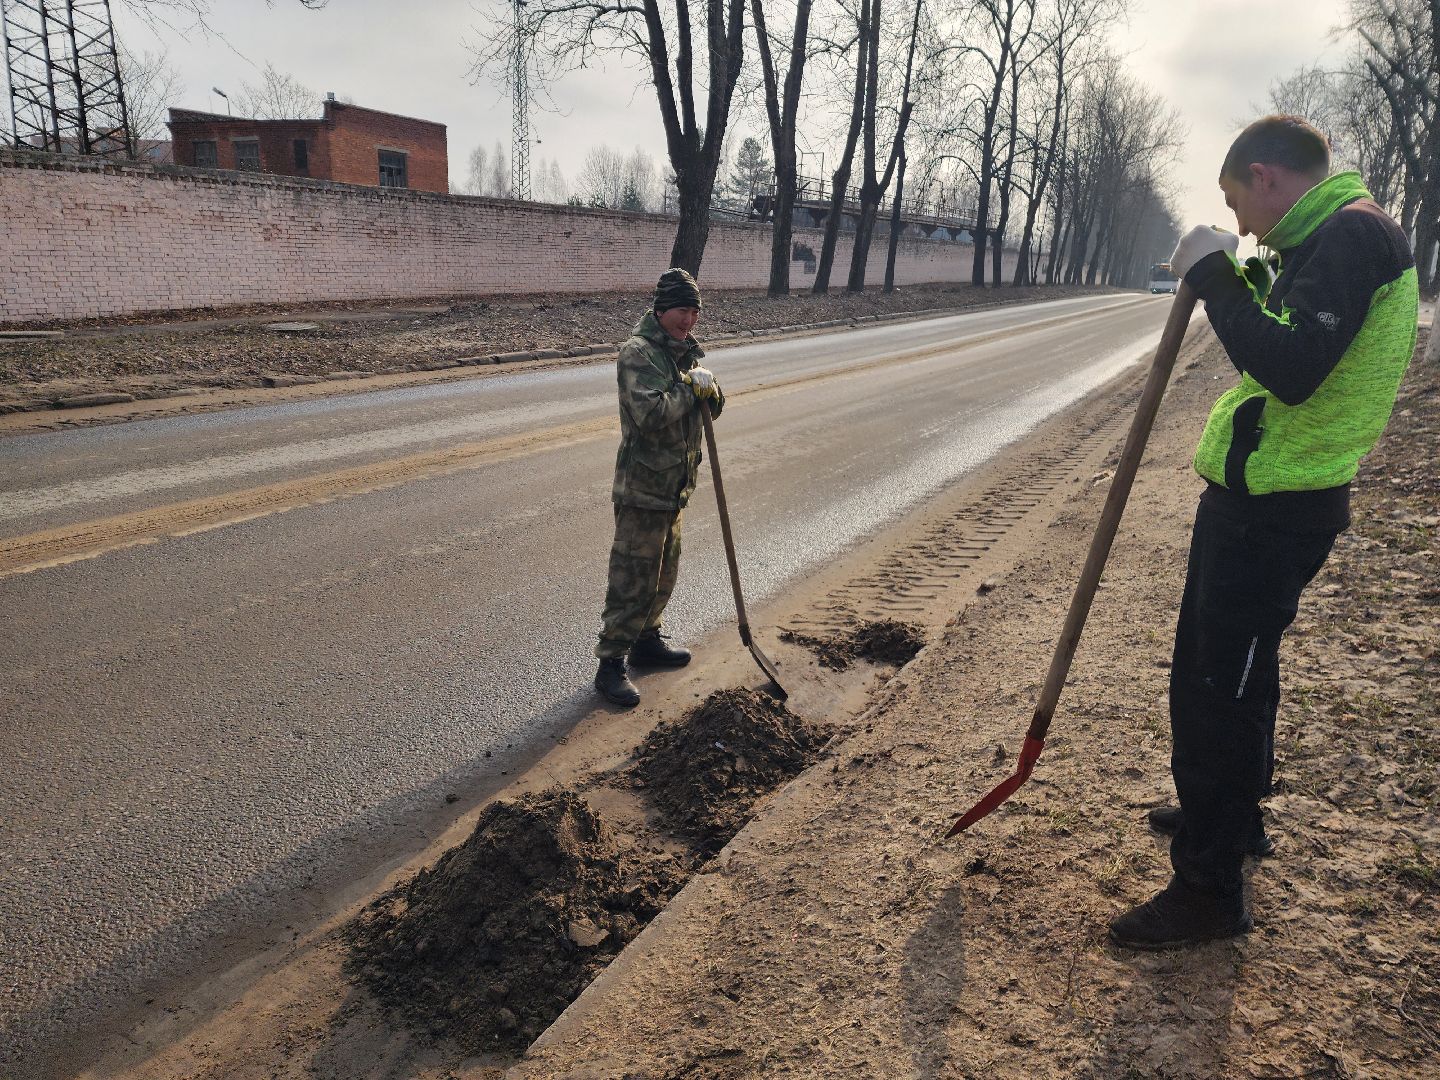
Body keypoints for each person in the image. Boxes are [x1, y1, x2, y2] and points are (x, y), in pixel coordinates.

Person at [1108, 115, 1419, 949]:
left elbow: (1286, 367)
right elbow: (1288, 339)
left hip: (1274, 511)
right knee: (1235, 680)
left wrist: (1215, 273)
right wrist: (1240, 268)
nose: (1240, 221)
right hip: (1266, 499)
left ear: (1268, 177)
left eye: (1236, 201)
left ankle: (1209, 888)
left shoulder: (1355, 239)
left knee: (1217, 696)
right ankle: (1230, 819)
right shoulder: (1332, 239)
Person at [594, 268, 723, 708]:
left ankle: (647, 641)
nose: (688, 320)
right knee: (632, 578)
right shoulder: (638, 353)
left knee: (664, 574)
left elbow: (710, 407)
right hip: (642, 488)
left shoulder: (682, 353)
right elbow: (650, 413)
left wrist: (710, 389)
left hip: (674, 486)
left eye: (695, 312)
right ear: (661, 309)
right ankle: (611, 662)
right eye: (681, 311)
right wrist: (691, 388)